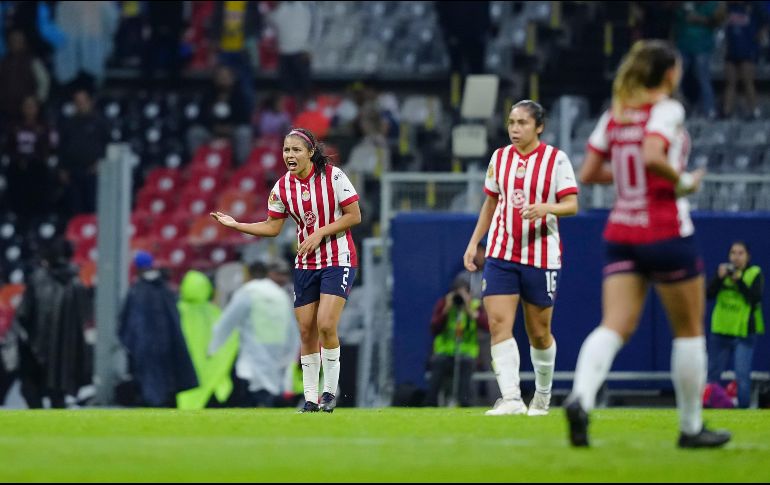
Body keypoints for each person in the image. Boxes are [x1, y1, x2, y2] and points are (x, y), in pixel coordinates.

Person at [568, 39, 730, 448]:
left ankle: (581, 398)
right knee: (690, 330)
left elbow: (588, 172)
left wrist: (628, 180)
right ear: (670, 74)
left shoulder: (616, 113)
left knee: (614, 325)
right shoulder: (667, 109)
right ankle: (691, 428)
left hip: (621, 230)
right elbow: (654, 154)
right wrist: (684, 182)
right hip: (665, 228)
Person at [211, 127, 361, 413]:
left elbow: (355, 216)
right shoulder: (281, 187)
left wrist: (319, 234)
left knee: (326, 324)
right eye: (286, 150)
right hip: (305, 264)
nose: (289, 155)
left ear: (310, 152)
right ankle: (310, 398)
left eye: (295, 150)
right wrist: (237, 224)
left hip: (338, 259)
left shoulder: (334, 176)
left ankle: (330, 393)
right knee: (306, 332)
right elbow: (272, 226)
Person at [463, 100, 579, 416]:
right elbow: (490, 204)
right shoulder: (499, 158)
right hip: (501, 253)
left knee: (539, 333)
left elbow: (572, 205)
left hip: (541, 256)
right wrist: (475, 243)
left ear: (538, 126)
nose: (515, 128)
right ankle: (511, 398)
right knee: (499, 323)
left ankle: (542, 396)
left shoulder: (556, 160)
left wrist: (546, 208)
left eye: (522, 123)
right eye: (511, 122)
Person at [208, 260, 299, 408]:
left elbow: (227, 322)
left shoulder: (247, 292)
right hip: (277, 353)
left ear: (247, 274)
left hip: (253, 353)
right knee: (268, 391)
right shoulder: (280, 295)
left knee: (250, 394)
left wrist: (213, 347)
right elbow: (292, 329)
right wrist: (289, 354)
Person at [14, 238, 90, 408]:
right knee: (58, 397)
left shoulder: (38, 279)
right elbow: (85, 323)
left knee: (32, 391)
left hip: (36, 350)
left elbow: (23, 315)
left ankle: (40, 428)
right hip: (65, 356)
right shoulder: (76, 283)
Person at [118, 251, 198, 407]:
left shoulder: (137, 291)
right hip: (168, 347)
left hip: (144, 349)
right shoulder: (165, 289)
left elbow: (127, 325)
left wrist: (131, 345)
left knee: (150, 390)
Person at [707, 241, 764, 409]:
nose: (736, 257)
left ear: (748, 256)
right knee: (713, 374)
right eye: (733, 253)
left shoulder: (754, 273)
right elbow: (708, 294)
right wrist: (719, 278)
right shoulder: (723, 273)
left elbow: (755, 298)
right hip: (720, 330)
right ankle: (707, 408)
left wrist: (739, 281)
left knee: (742, 375)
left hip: (743, 332)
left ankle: (743, 410)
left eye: (740, 253)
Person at [176, 270, 239, 410]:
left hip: (181, 375)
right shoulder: (215, 313)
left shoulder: (176, 311)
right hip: (211, 374)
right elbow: (230, 340)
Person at [425, 275, 488, 407]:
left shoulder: (475, 306)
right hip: (445, 353)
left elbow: (486, 326)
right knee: (438, 366)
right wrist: (446, 310)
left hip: (467, 353)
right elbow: (434, 328)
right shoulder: (444, 304)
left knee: (466, 367)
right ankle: (430, 403)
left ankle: (465, 403)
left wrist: (469, 309)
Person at [57, 88, 110, 216]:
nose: (80, 104)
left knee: (93, 207)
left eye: (83, 101)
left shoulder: (100, 122)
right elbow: (62, 147)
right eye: (77, 102)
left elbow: (107, 145)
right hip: (73, 172)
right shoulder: (68, 123)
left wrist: (100, 164)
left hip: (93, 172)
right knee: (75, 209)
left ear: (90, 102)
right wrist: (62, 169)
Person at [673, 1, 726, 118]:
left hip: (702, 46)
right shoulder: (684, 5)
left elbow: (718, 20)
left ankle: (709, 110)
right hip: (683, 45)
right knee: (676, 79)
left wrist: (700, 19)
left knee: (703, 78)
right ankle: (677, 109)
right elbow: (676, 19)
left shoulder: (712, 5)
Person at [722, 1, 768, 119]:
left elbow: (765, 23)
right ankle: (727, 111)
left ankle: (753, 110)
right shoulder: (730, 7)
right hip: (732, 50)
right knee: (730, 83)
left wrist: (758, 38)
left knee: (748, 82)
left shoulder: (755, 7)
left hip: (748, 50)